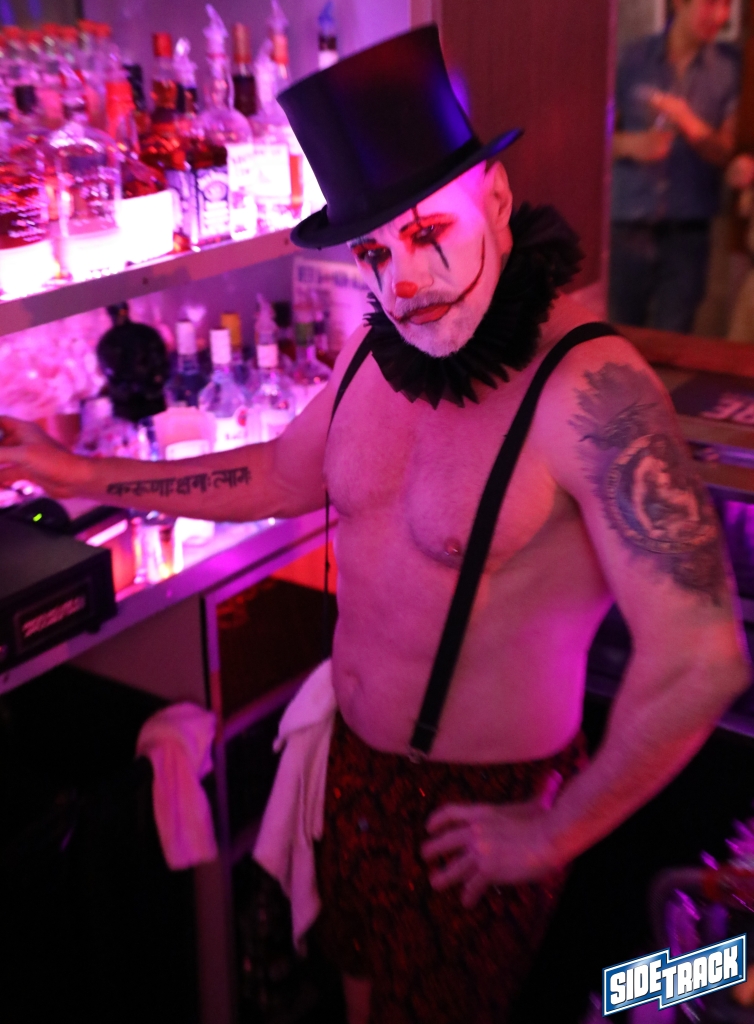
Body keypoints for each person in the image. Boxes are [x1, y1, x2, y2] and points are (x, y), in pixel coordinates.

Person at [0, 26, 749, 1024]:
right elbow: (274, 473)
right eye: (374, 252)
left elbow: (701, 657)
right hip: (352, 775)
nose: (402, 283)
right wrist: (80, 471)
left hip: (479, 811)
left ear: (495, 198)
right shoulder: (376, 355)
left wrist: (556, 828)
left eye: (427, 233)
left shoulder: (591, 389)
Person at [609, 0, 740, 332]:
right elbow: (593, 139)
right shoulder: (631, 57)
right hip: (628, 223)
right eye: (711, 3)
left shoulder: (730, 68)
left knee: (674, 341)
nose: (721, 16)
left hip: (689, 233)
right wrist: (631, 145)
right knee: (621, 337)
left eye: (727, 5)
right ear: (680, 3)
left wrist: (686, 119)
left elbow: (727, 153)